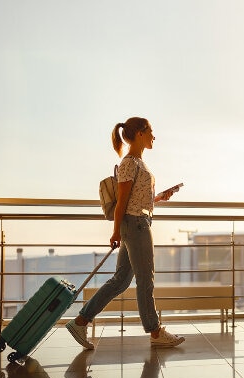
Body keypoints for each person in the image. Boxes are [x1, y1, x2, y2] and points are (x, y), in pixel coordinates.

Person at [66, 117, 185, 349]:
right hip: (136, 226)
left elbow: (136, 199)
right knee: (145, 280)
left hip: (138, 222)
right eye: (151, 131)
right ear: (140, 133)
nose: (154, 136)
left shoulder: (138, 163)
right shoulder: (129, 163)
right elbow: (121, 203)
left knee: (120, 281)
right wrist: (115, 232)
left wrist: (159, 197)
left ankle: (80, 322)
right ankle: (155, 331)